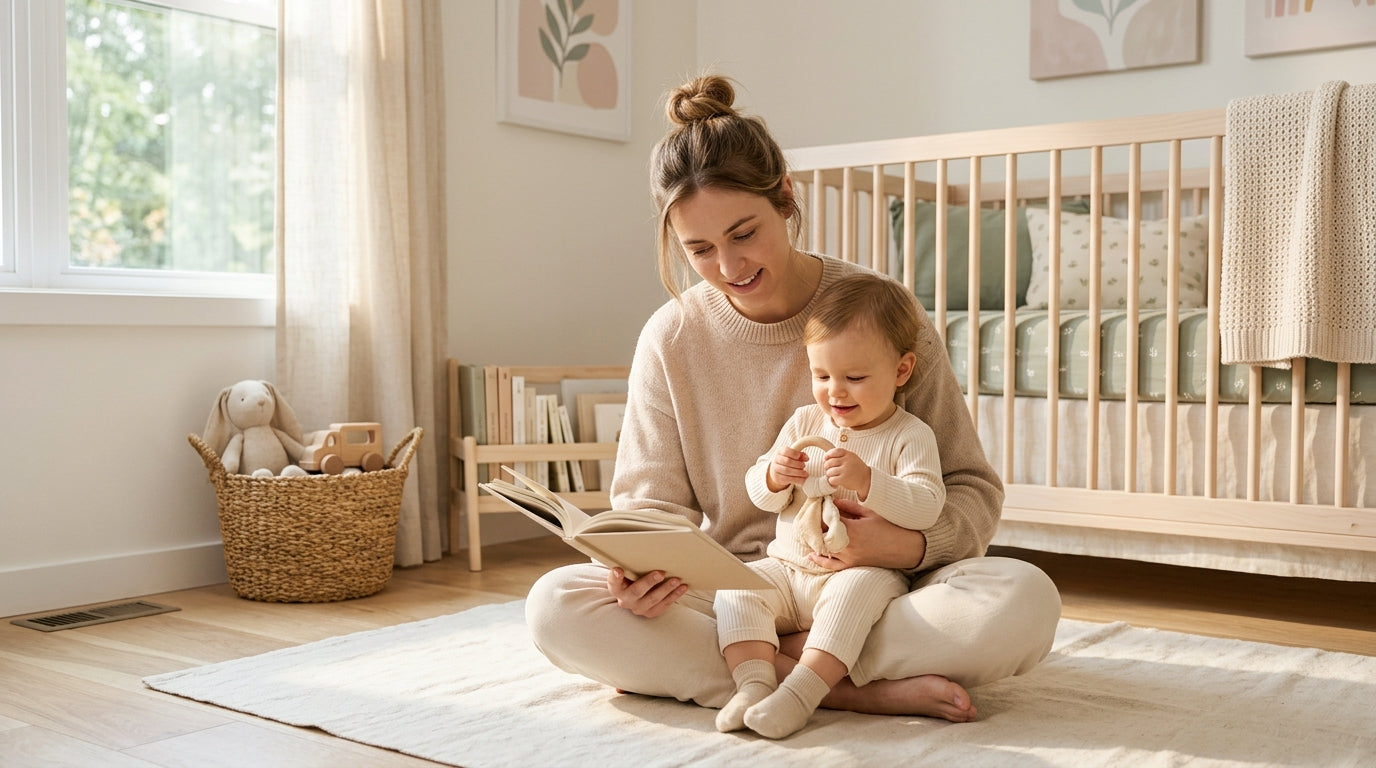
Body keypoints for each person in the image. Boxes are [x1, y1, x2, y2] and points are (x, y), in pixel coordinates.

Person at [525, 73, 1062, 725]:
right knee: (557, 606)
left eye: (744, 232)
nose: (729, 266)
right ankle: (841, 687)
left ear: (785, 198)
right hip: (739, 592)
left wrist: (899, 548)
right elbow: (648, 504)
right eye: (699, 249)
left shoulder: (880, 311)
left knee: (1023, 599)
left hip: (876, 591)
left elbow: (970, 488)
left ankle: (765, 672)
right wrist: (638, 569)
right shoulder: (671, 337)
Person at [715, 272, 947, 738]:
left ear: (902, 371)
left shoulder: (909, 435)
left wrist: (870, 483)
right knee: (736, 589)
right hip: (787, 567)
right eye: (821, 375)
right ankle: (755, 684)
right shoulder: (804, 420)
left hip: (855, 574)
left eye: (855, 378)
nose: (835, 392)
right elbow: (758, 492)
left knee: (852, 598)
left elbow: (926, 507)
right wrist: (774, 475)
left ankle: (800, 695)